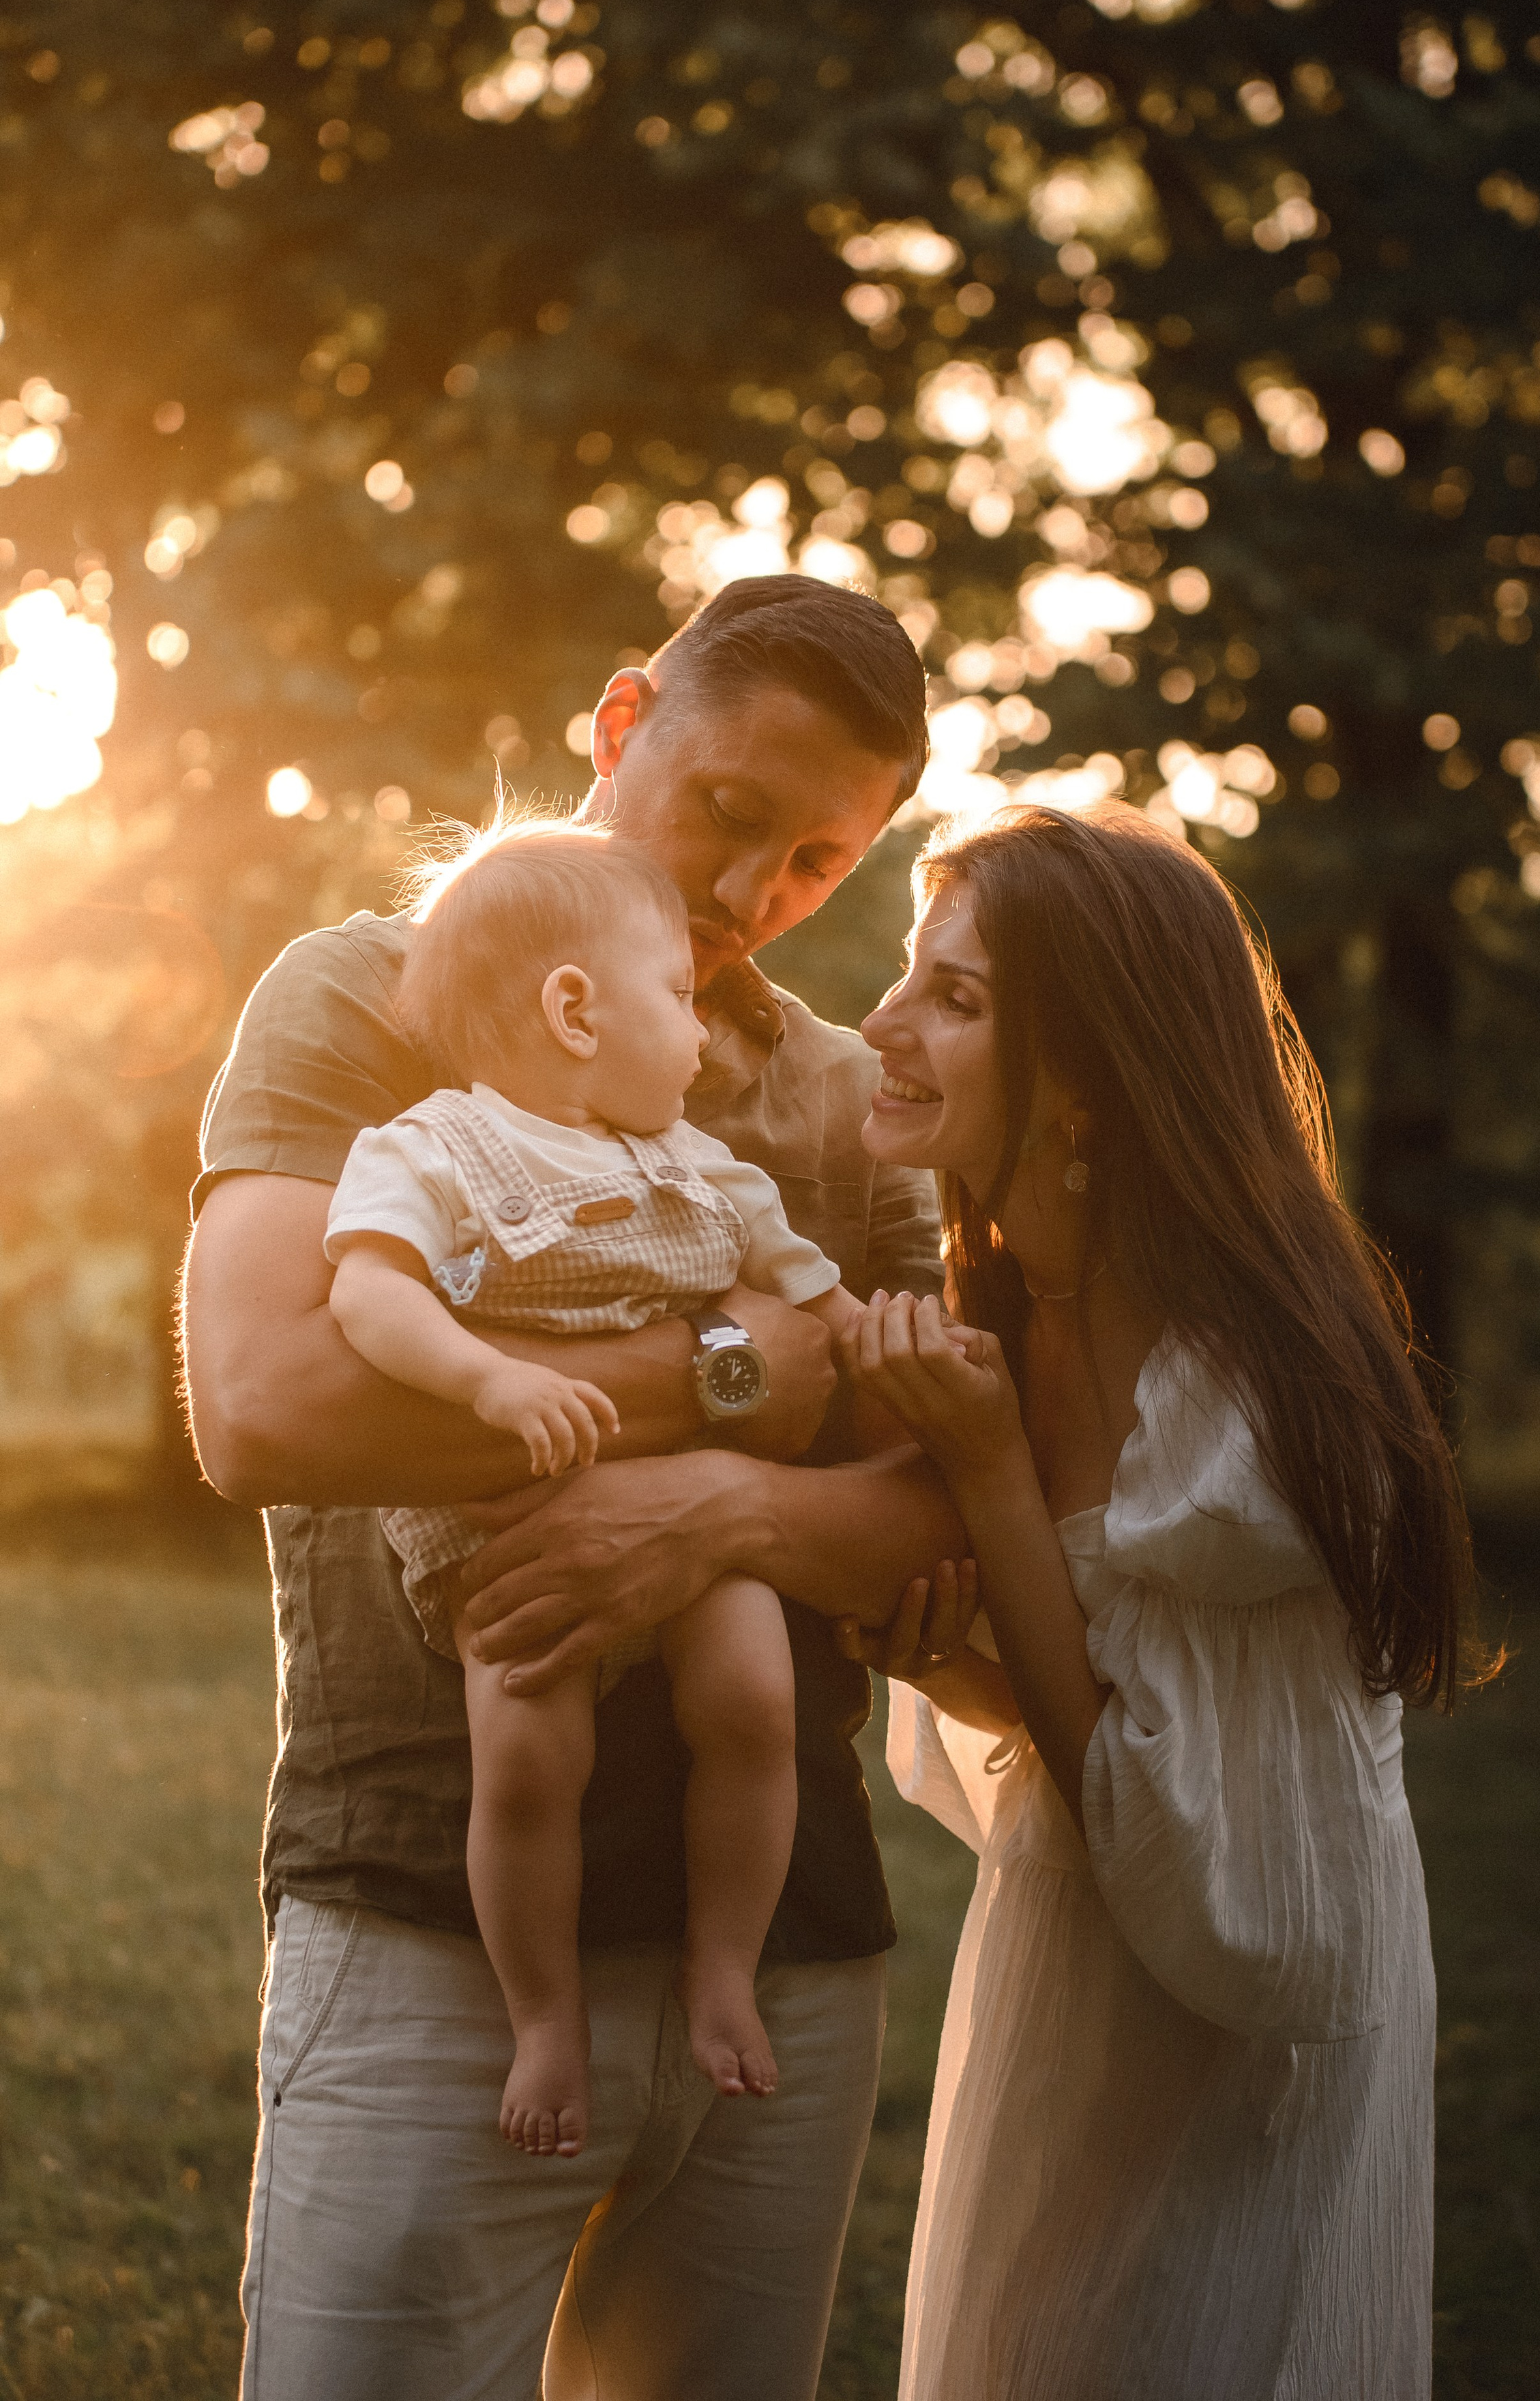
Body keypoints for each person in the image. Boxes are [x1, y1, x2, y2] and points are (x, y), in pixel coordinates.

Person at [181, 574, 964, 2401]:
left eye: (817, 863)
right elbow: (269, 1403)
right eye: (728, 813)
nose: (753, 893)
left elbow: (948, 1479)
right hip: (423, 1921)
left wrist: (722, 1515)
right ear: (624, 728)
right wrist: (732, 1386)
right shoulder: (373, 996)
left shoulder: (851, 1097)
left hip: (776, 1950)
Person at [834, 799, 1487, 2401]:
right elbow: (1104, 1730)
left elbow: (1201, 1856)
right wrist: (951, 1660)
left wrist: (990, 1473)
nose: (883, 1022)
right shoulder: (1012, 1298)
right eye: (909, 977)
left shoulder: (1235, 1404)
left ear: (1087, 1084)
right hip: (1075, 1948)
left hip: (1240, 2006)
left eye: (957, 997)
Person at [327, 820, 871, 2154]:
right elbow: (365, 1292)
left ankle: (722, 1968)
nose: (699, 1036)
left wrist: (886, 1345)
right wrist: (486, 1383)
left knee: (751, 1701)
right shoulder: (434, 1150)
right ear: (573, 1008)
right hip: (503, 1524)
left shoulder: (702, 1169)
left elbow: (816, 1303)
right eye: (677, 999)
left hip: (692, 1504)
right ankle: (545, 2020)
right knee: (527, 1759)